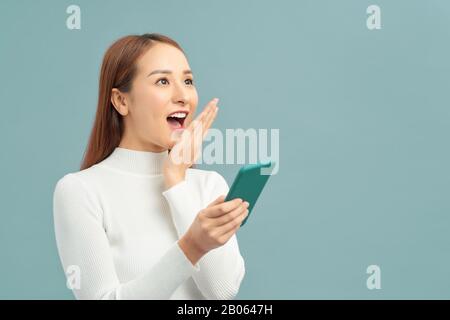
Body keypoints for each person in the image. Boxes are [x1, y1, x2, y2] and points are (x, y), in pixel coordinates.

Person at [53, 33, 248, 300]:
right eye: (163, 81)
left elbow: (222, 292)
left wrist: (177, 182)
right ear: (121, 101)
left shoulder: (209, 185)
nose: (183, 96)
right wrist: (192, 246)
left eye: (188, 81)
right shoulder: (80, 190)